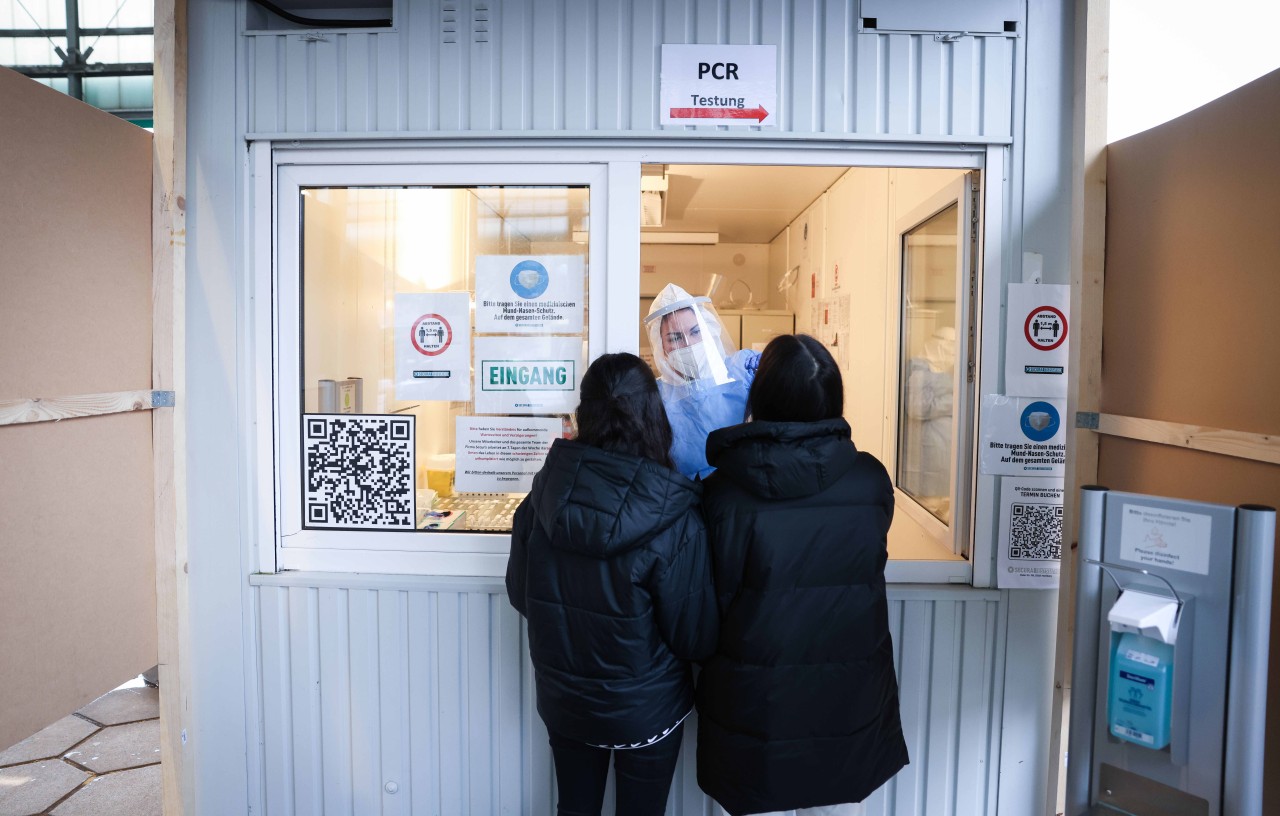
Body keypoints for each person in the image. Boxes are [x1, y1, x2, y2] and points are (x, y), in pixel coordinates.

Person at [695, 334, 909, 816]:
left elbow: (711, 605)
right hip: (848, 705)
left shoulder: (722, 494)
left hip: (757, 707)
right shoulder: (871, 481)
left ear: (760, 398)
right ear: (833, 400)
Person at [506, 352, 718, 816]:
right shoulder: (673, 513)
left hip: (567, 703)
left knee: (575, 809)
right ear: (653, 413)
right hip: (647, 710)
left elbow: (521, 594)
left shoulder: (544, 495)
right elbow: (695, 635)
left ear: (584, 412)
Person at [644, 283, 760, 480]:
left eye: (695, 331)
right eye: (675, 338)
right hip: (684, 499)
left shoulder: (742, 369)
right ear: (660, 344)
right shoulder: (654, 396)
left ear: (708, 330)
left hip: (741, 491)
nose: (688, 343)